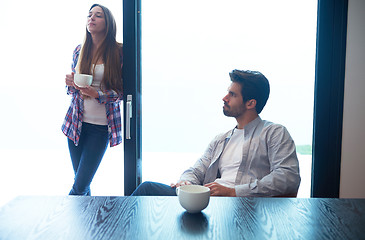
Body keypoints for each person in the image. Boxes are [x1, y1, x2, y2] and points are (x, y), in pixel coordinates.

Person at [132, 69, 300, 197]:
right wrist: (186, 182)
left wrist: (233, 191)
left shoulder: (274, 133)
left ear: (251, 103)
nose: (224, 98)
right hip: (210, 200)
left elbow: (287, 178)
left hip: (245, 205)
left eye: (232, 94)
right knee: (148, 189)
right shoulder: (221, 139)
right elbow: (196, 170)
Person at [62, 4, 123, 196]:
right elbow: (72, 92)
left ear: (108, 23)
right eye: (89, 15)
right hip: (76, 124)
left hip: (100, 128)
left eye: (98, 16)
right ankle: (86, 226)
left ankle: (63, 220)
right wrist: (71, 84)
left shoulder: (119, 52)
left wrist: (98, 95)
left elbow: (122, 92)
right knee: (81, 183)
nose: (91, 18)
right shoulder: (79, 50)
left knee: (79, 186)